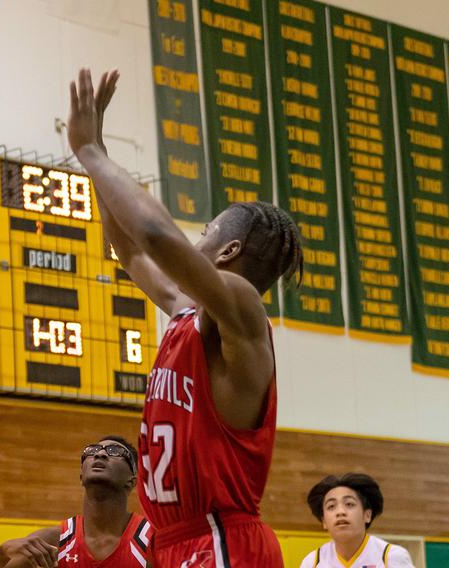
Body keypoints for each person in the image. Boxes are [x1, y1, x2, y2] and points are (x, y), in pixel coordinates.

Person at [67, 68, 303, 567]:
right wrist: (98, 160)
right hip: (175, 540)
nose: (196, 238)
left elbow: (156, 237)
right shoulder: (186, 310)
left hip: (221, 538)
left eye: (207, 230)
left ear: (229, 250)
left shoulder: (241, 305)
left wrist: (89, 153)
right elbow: (129, 251)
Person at [0, 436, 152, 568]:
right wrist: (2, 553)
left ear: (132, 480)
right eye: (92, 451)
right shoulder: (51, 543)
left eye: (115, 451)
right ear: (82, 476)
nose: (101, 454)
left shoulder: (151, 542)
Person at [301, 473, 414, 567]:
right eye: (331, 506)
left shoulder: (391, 557)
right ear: (324, 521)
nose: (340, 512)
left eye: (349, 504)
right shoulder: (312, 562)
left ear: (367, 515)